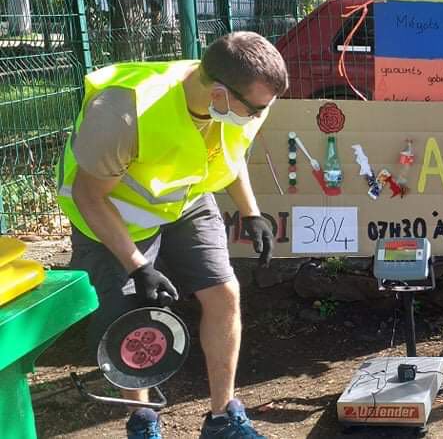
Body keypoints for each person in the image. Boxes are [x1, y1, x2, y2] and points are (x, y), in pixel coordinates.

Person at [57, 31, 285, 439]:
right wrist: (137, 266)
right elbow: (89, 197)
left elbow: (229, 151)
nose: (259, 116)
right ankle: (142, 420)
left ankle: (223, 420)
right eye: (255, 109)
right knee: (131, 316)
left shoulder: (239, 102)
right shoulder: (124, 113)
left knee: (224, 292)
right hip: (113, 212)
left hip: (184, 199)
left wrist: (251, 212)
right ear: (219, 94)